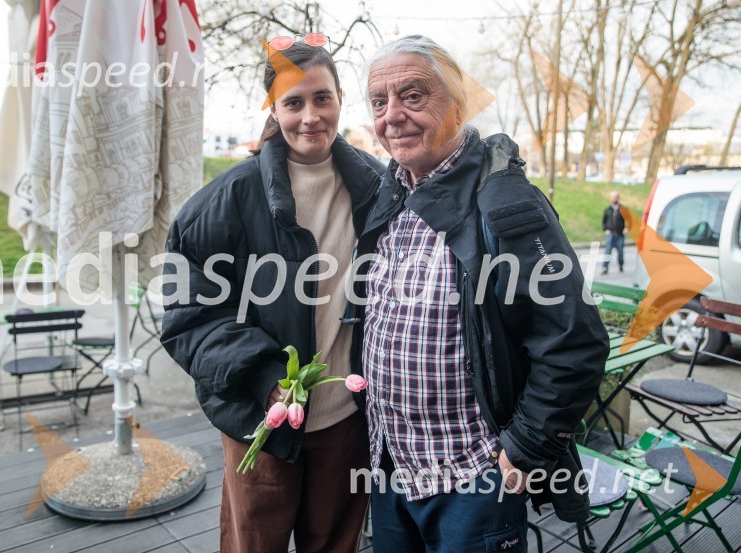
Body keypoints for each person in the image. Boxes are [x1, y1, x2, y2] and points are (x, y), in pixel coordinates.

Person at [351, 35, 609, 551]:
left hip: (473, 478)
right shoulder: (390, 194)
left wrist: (524, 448)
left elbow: (574, 341)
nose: (392, 116)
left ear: (458, 104)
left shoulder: (506, 205)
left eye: (413, 95)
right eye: (379, 102)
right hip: (391, 468)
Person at [160, 40, 384, 552]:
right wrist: (265, 378)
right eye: (293, 102)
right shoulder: (222, 203)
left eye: (322, 99)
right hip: (259, 422)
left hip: (346, 423)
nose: (310, 116)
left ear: (340, 99)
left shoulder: (378, 188)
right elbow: (188, 318)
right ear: (274, 109)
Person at [602, 191, 627, 274]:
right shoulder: (607, 209)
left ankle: (621, 265)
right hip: (610, 234)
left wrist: (626, 228)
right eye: (612, 197)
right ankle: (605, 268)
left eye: (615, 197)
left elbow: (629, 221)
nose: (613, 199)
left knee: (620, 251)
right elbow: (604, 221)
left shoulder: (622, 209)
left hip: (619, 234)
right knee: (607, 251)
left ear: (618, 198)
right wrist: (605, 229)